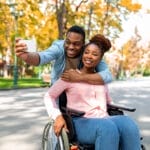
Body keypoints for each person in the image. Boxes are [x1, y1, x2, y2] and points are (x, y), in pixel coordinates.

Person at [44, 34, 141, 150]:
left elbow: (109, 102)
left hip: (104, 119)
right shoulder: (70, 75)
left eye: (94, 54)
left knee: (128, 123)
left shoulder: (100, 79)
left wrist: (115, 109)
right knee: (107, 128)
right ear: (82, 54)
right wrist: (57, 116)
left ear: (100, 59)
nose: (89, 56)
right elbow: (49, 96)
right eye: (87, 52)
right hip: (80, 121)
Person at [15, 25, 112, 85]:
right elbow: (42, 57)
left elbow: (107, 76)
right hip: (60, 95)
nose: (71, 47)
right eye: (68, 42)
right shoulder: (59, 47)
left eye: (76, 44)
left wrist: (80, 77)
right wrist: (26, 56)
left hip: (80, 98)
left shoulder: (89, 52)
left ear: (83, 44)